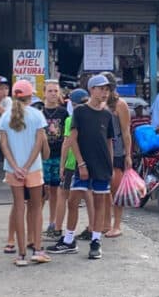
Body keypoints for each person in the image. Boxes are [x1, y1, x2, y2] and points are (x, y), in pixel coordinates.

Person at [57, 75, 114, 260]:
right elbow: (72, 139)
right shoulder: (80, 112)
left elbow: (109, 142)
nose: (104, 93)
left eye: (107, 89)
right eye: (101, 89)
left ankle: (96, 240)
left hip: (102, 165)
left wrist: (110, 166)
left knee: (99, 203)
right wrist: (80, 163)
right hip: (82, 164)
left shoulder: (108, 115)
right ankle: (68, 239)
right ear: (92, 90)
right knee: (73, 200)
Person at [0, 79, 51, 266]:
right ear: (30, 96)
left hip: (13, 169)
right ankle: (37, 248)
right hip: (33, 168)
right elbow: (39, 143)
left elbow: (3, 145)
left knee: (19, 208)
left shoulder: (5, 117)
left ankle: (21, 254)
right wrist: (28, 166)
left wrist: (15, 165)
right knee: (36, 208)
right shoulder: (37, 115)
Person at [49, 88, 90, 254]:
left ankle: (60, 230)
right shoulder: (92, 117)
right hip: (88, 164)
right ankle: (94, 229)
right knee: (90, 197)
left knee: (64, 196)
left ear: (72, 103)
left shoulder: (71, 120)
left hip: (72, 164)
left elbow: (67, 143)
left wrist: (62, 164)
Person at [103, 72, 132, 239]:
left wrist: (128, 154)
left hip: (118, 151)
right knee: (102, 191)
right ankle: (105, 224)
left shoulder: (120, 105)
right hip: (101, 151)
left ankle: (116, 225)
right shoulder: (98, 104)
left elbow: (126, 131)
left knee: (116, 190)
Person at [40, 80, 69, 239]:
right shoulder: (39, 112)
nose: (52, 94)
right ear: (44, 93)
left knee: (56, 191)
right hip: (43, 156)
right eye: (50, 91)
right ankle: (37, 221)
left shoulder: (64, 113)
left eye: (55, 91)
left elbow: (67, 135)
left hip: (58, 155)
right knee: (42, 191)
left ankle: (53, 222)